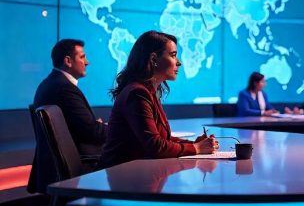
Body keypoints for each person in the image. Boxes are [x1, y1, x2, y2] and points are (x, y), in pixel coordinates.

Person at [98, 31, 217, 169]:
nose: (179, 62)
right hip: (123, 175)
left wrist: (193, 145)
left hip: (136, 172)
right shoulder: (137, 93)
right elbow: (155, 145)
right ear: (154, 59)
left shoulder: (148, 91)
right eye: (173, 55)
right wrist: (196, 148)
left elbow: (162, 139)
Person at [28, 39, 107, 194]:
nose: (87, 62)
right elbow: (91, 133)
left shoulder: (52, 83)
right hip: (79, 162)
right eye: (83, 57)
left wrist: (93, 125)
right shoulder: (65, 89)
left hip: (58, 165)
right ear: (68, 61)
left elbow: (80, 126)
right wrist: (107, 128)